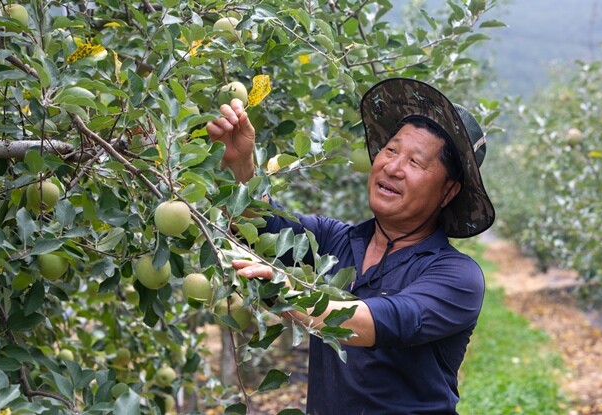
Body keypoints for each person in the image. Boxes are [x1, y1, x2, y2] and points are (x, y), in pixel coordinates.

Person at [206, 77, 495, 415]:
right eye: (390, 150)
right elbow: (263, 225)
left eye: (415, 162)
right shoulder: (333, 241)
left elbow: (383, 320)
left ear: (449, 191)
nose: (393, 167)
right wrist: (241, 165)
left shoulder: (456, 276)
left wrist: (294, 296)